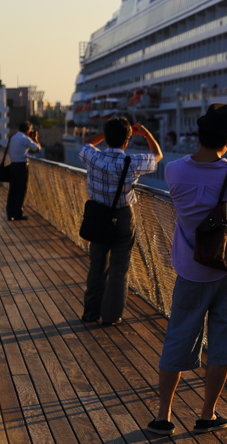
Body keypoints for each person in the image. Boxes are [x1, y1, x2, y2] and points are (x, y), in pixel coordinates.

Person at [148, 104, 227, 437]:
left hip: (190, 271)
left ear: (198, 134)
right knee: (223, 343)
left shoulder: (174, 171)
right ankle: (207, 414)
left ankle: (163, 417)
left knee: (178, 340)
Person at [79, 118, 162, 325]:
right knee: (119, 267)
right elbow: (157, 155)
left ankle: (90, 314)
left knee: (97, 266)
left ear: (106, 138)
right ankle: (111, 316)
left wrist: (105, 132)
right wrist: (145, 133)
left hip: (98, 215)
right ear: (127, 141)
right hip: (123, 216)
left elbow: (86, 143)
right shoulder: (132, 162)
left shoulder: (93, 157)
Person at [5, 122, 41, 221]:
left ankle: (10, 213)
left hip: (12, 166)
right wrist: (35, 138)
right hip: (21, 166)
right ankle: (18, 214)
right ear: (28, 130)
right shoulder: (25, 139)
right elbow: (37, 148)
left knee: (13, 190)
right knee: (21, 190)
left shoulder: (13, 137)